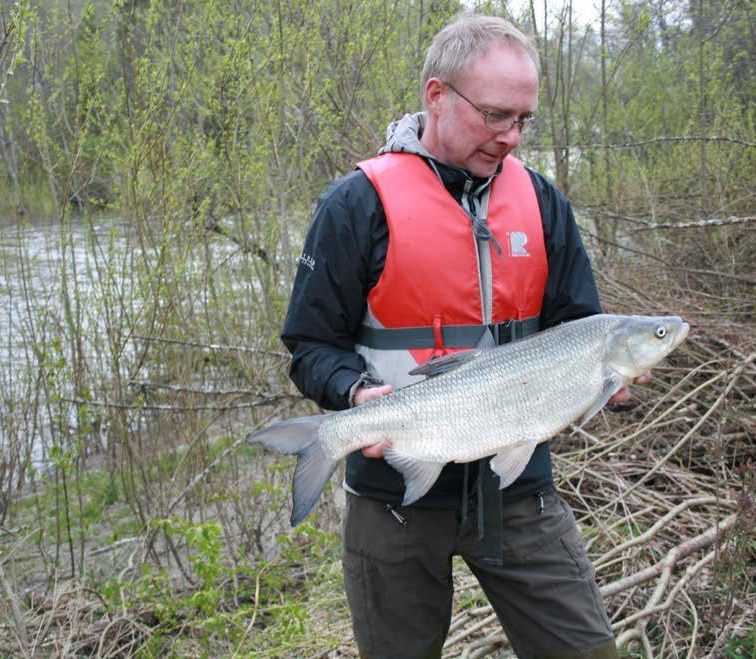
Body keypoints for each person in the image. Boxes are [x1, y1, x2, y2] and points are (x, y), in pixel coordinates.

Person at [281, 13, 641, 659]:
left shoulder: (541, 200)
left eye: (524, 119)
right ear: (436, 95)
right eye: (496, 115)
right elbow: (309, 346)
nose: (510, 136)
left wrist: (609, 377)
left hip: (517, 486)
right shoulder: (355, 203)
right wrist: (354, 396)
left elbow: (580, 328)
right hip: (394, 496)